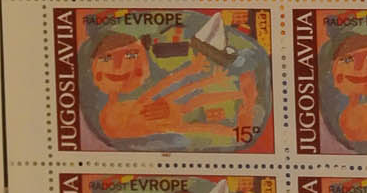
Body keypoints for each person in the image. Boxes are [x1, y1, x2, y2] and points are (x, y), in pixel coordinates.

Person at [87, 29, 258, 145]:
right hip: (159, 122)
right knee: (196, 113)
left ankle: (241, 99)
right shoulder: (121, 112)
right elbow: (161, 91)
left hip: (155, 119)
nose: (119, 66)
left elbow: (160, 90)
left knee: (195, 107)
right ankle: (243, 107)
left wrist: (198, 74)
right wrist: (197, 74)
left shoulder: (121, 107)